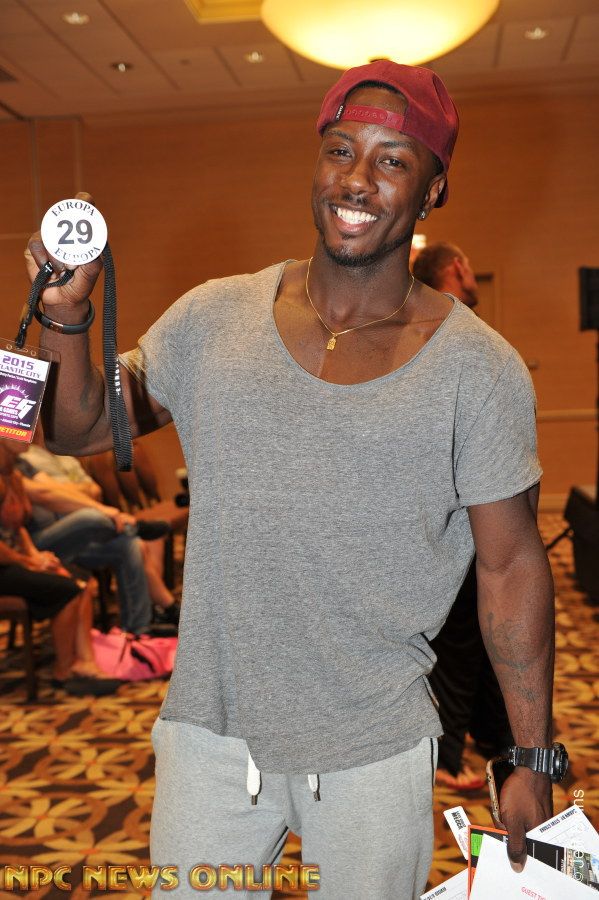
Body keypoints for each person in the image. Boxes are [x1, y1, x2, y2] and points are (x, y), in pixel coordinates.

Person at [25, 61, 557, 898]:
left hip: (374, 741)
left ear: (431, 190)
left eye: (391, 160)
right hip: (211, 730)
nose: (356, 178)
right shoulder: (215, 317)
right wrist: (65, 315)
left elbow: (511, 565)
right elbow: (79, 426)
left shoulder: (477, 369)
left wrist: (529, 754)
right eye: (340, 150)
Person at [413, 241, 512, 791]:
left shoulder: (426, 329)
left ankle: (503, 745)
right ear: (456, 268)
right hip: (455, 515)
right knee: (457, 644)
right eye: (469, 266)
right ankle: (446, 759)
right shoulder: (449, 332)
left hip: (460, 510)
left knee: (481, 638)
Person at [0, 441, 120, 696]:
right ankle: (63, 671)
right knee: (69, 589)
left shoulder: (14, 475)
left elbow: (17, 530)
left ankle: (85, 663)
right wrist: (29, 562)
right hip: (5, 565)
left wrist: (36, 555)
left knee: (84, 582)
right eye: (18, 427)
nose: (26, 435)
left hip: (15, 560)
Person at [412, 240, 479, 309]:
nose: (472, 274)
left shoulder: (417, 314)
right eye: (467, 264)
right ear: (459, 266)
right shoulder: (464, 315)